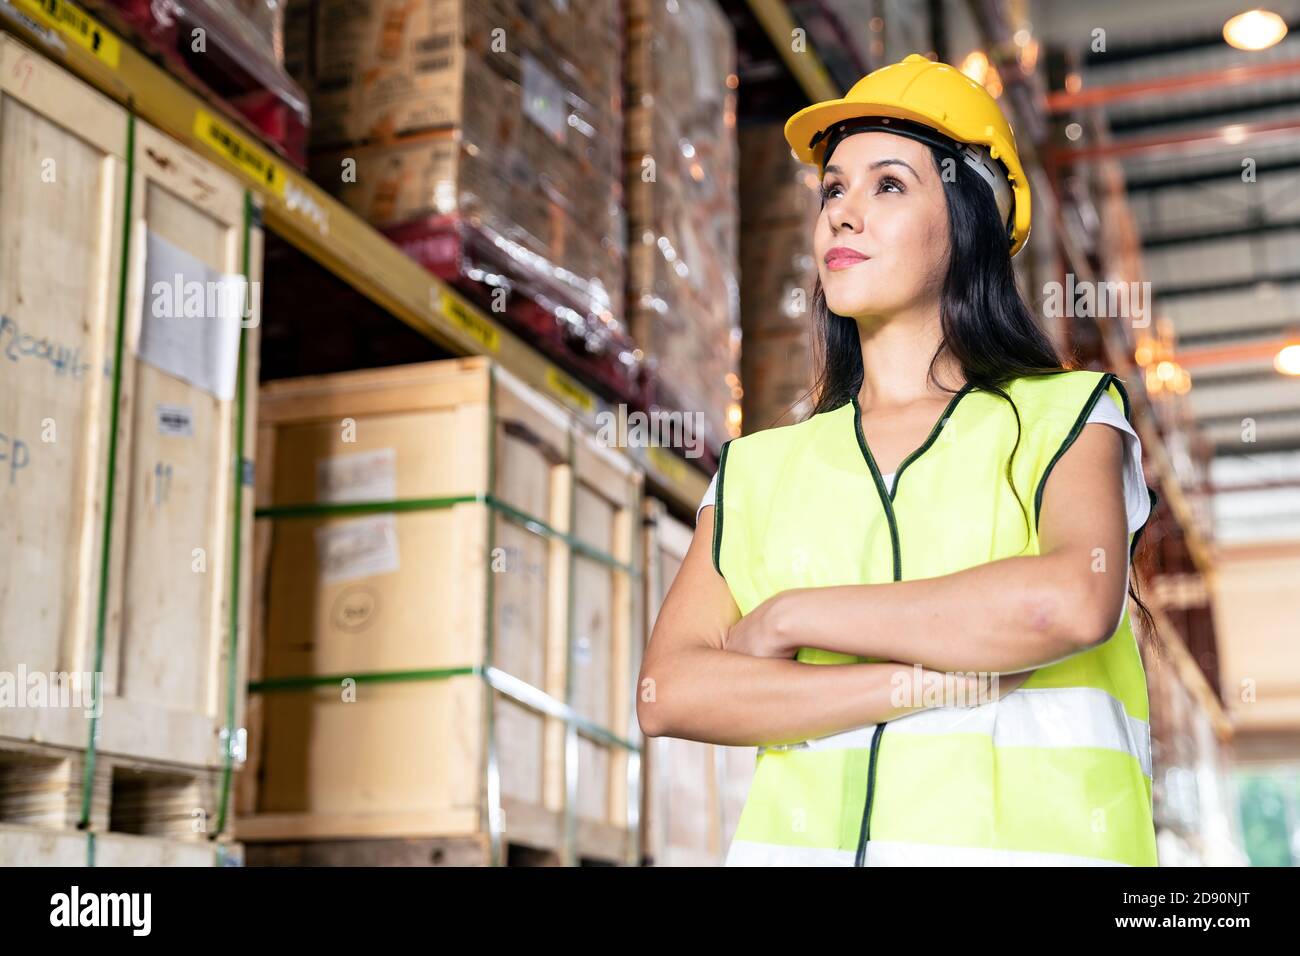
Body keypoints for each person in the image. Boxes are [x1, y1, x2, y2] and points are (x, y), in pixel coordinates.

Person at [636, 54, 1162, 866]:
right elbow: (669, 692)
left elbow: (1065, 603)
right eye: (833, 190)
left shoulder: (1065, 416)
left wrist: (788, 617)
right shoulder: (760, 469)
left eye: (888, 185)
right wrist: (920, 682)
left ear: (966, 222)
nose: (844, 214)